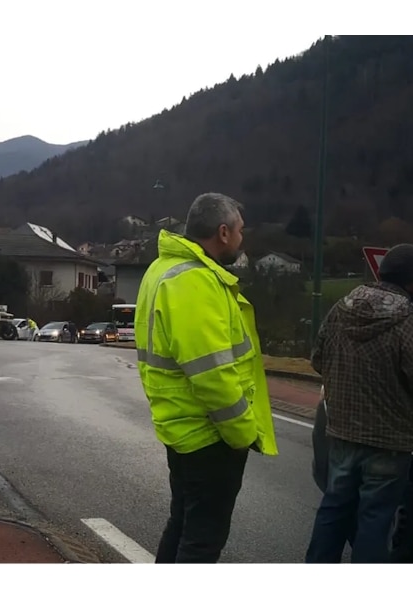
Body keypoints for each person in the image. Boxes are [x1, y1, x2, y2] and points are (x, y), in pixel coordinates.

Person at [134, 192, 278, 563]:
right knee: (201, 542)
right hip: (209, 435)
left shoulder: (162, 271)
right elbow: (212, 373)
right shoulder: (195, 281)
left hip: (181, 427)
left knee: (183, 526)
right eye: (241, 231)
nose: (243, 238)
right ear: (224, 232)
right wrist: (242, 434)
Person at [305, 243, 413, 563]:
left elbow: (318, 359)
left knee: (333, 509)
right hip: (388, 441)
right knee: (375, 519)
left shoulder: (340, 309)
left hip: (342, 432)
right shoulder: (410, 322)